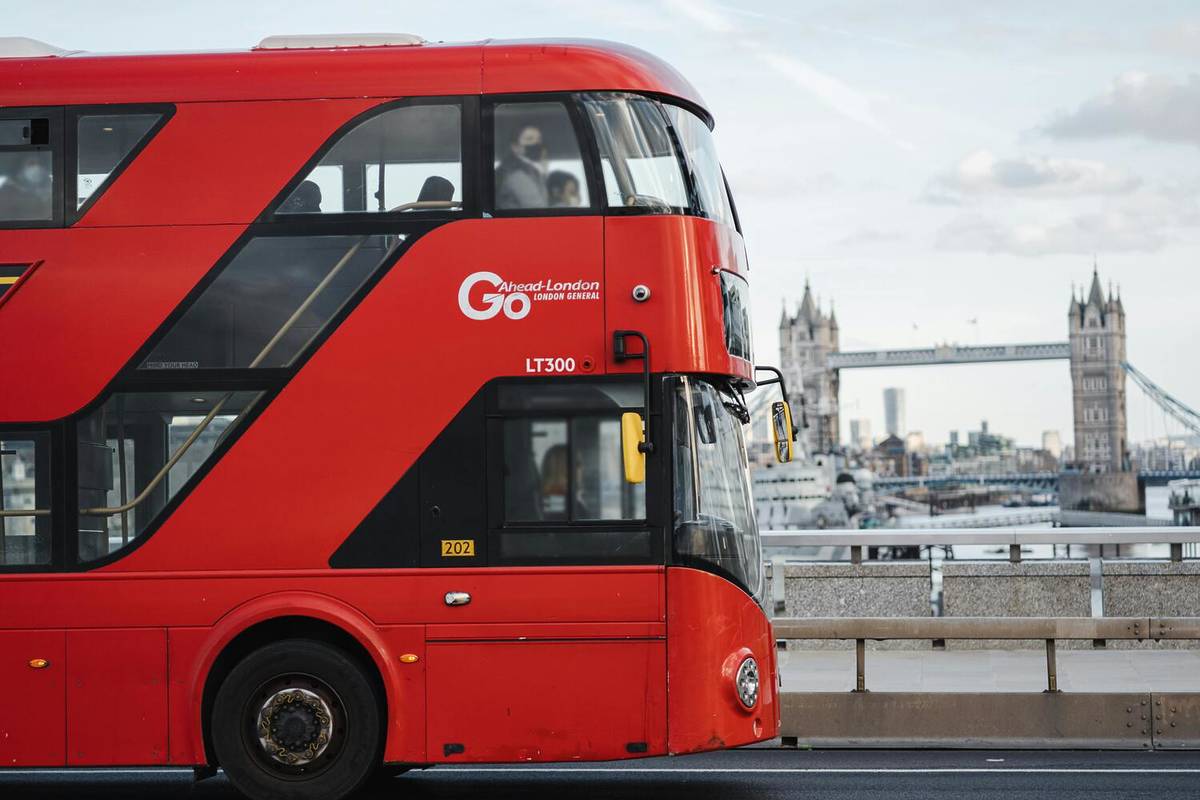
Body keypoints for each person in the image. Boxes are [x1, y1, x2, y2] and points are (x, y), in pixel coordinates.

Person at [495, 124, 548, 209]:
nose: (536, 143)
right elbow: (538, 208)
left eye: (539, 139)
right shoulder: (515, 174)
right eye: (529, 139)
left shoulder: (532, 169)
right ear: (515, 147)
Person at [0, 153, 53, 221]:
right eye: (31, 164)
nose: (36, 168)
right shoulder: (7, 191)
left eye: (40, 164)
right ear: (20, 168)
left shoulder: (50, 188)